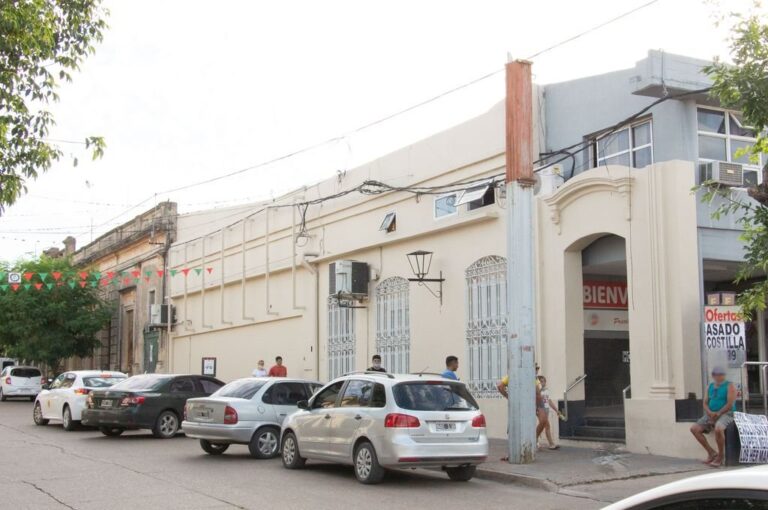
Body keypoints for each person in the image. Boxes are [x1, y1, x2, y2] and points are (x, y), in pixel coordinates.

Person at [690, 366, 737, 467]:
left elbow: (729, 404)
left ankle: (721, 456)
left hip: (726, 413)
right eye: (717, 374)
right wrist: (709, 412)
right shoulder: (710, 386)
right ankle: (711, 453)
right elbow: (705, 403)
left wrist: (718, 413)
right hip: (711, 413)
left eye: (721, 374)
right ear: (713, 376)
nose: (719, 377)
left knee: (719, 429)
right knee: (694, 429)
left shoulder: (730, 386)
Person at [536, 376, 564, 450]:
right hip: (540, 409)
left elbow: (549, 401)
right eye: (541, 381)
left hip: (546, 409)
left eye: (543, 381)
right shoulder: (537, 391)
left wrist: (556, 410)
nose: (542, 383)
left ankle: (547, 443)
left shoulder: (547, 390)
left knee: (545, 426)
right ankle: (550, 443)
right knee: (545, 425)